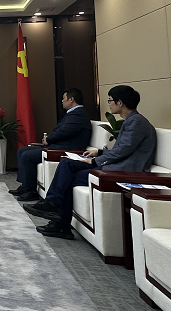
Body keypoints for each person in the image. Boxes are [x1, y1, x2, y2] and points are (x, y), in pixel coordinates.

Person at [24, 85, 156, 239]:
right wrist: (99, 152)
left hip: (124, 170)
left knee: (68, 174)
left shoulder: (137, 122)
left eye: (110, 100)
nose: (109, 103)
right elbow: (124, 149)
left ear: (120, 102)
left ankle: (58, 219)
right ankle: (54, 209)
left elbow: (123, 150)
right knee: (67, 165)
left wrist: (95, 161)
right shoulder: (131, 121)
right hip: (115, 165)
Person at [11, 88, 92, 202]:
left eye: (64, 98)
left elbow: (64, 132)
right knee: (22, 150)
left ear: (71, 99)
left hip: (68, 149)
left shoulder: (78, 115)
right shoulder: (73, 113)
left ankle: (30, 190)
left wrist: (48, 139)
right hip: (60, 145)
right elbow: (60, 130)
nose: (62, 101)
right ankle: (25, 185)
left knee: (27, 156)